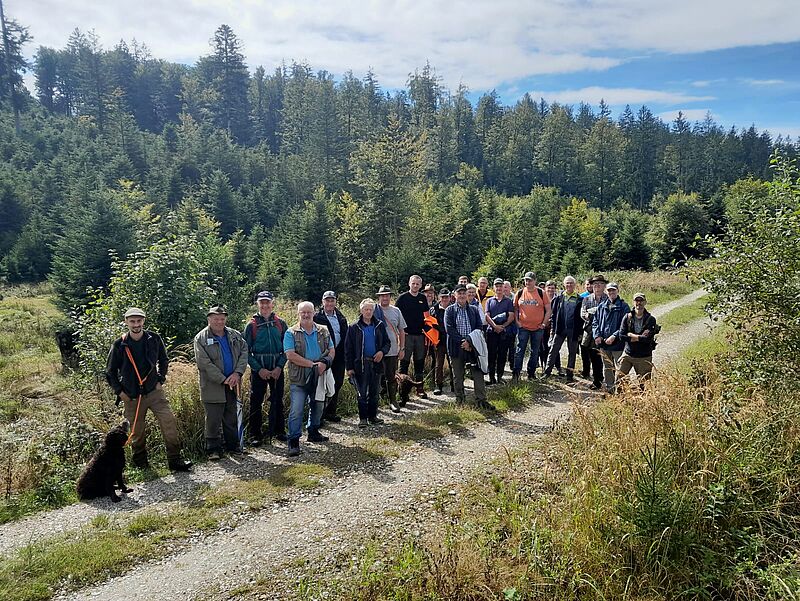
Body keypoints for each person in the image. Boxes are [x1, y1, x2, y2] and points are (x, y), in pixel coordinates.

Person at [105, 308, 191, 471]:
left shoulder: (154, 338)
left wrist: (161, 379)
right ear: (126, 322)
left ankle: (175, 460)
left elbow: (164, 360)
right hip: (132, 396)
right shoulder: (120, 344)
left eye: (139, 321)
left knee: (169, 423)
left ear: (144, 321)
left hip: (154, 392)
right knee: (137, 432)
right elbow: (110, 372)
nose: (136, 324)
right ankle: (141, 463)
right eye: (132, 321)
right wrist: (120, 393)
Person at [193, 305, 249, 460]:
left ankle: (233, 446)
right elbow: (204, 363)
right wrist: (223, 379)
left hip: (234, 383)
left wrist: (237, 373)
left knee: (231, 416)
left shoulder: (234, 335)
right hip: (213, 385)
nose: (219, 321)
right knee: (213, 418)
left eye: (222, 318)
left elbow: (244, 352)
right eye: (216, 318)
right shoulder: (201, 338)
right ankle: (213, 450)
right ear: (209, 319)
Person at [283, 301, 334, 457]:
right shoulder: (290, 333)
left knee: (318, 405)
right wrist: (312, 365)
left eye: (308, 312)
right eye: (302, 312)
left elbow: (332, 350)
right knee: (296, 410)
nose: (306, 315)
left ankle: (313, 431)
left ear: (314, 313)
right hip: (300, 378)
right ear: (298, 314)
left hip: (319, 375)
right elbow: (290, 355)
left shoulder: (323, 330)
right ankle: (293, 441)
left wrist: (324, 364)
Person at [244, 291, 288, 446]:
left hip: (277, 368)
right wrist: (258, 369)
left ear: (272, 303)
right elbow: (246, 352)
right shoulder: (251, 325)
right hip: (259, 369)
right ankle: (255, 435)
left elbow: (287, 349)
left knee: (277, 400)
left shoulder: (280, 323)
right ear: (257, 304)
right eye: (261, 302)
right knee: (256, 401)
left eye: (267, 302)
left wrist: (279, 367)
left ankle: (278, 431)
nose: (265, 305)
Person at [444, 285, 491, 408]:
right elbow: (449, 329)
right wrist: (463, 342)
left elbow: (479, 327)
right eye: (459, 293)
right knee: (458, 376)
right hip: (456, 348)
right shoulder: (449, 311)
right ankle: (460, 400)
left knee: (478, 373)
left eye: (464, 293)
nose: (462, 295)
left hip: (472, 347)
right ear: (454, 295)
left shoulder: (474, 310)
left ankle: (481, 400)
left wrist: (469, 342)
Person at [345, 298, 391, 427]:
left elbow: (387, 343)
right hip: (361, 364)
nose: (368, 312)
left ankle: (373, 416)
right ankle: (363, 419)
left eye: (371, 309)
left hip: (376, 363)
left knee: (374, 392)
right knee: (362, 393)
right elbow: (348, 349)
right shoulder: (354, 327)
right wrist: (349, 367)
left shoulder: (379, 325)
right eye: (366, 309)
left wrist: (382, 352)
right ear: (361, 310)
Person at [313, 291, 348, 423]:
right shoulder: (317, 317)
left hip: (339, 354)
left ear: (335, 302)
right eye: (327, 300)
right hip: (323, 355)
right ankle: (319, 416)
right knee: (321, 385)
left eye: (332, 300)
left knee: (337, 383)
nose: (329, 303)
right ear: (323, 302)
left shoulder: (341, 317)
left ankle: (330, 412)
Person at [512, 271, 552, 382]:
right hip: (523, 327)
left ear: (535, 281)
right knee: (520, 350)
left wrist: (544, 323)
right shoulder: (519, 293)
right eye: (526, 280)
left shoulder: (541, 292)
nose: (527, 282)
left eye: (530, 280)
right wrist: (517, 321)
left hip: (538, 328)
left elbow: (548, 310)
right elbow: (515, 308)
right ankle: (516, 374)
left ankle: (531, 373)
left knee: (535, 352)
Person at [395, 275, 429, 398]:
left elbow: (427, 315)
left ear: (421, 285)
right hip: (406, 335)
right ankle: (402, 391)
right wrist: (400, 332)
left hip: (420, 335)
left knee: (419, 362)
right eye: (413, 283)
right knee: (404, 363)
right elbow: (396, 315)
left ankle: (420, 389)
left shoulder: (422, 298)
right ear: (409, 284)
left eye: (417, 284)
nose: (415, 286)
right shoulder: (402, 298)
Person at [593, 282, 630, 393]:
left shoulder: (624, 306)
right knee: (607, 368)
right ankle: (610, 389)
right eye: (609, 290)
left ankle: (621, 390)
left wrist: (614, 336)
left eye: (613, 290)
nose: (611, 292)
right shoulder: (601, 306)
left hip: (618, 344)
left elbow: (626, 326)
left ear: (617, 290)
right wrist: (597, 335)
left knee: (621, 368)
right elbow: (595, 322)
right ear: (606, 292)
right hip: (604, 344)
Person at [544, 276, 583, 381]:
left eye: (571, 283)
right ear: (564, 285)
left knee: (572, 353)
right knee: (553, 350)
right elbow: (554, 314)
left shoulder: (580, 299)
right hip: (560, 329)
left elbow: (581, 318)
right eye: (567, 283)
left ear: (575, 285)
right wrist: (553, 329)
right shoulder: (559, 298)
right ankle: (547, 372)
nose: (569, 285)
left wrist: (580, 333)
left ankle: (569, 376)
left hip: (573, 330)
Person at [375, 285, 407, 412]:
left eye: (387, 295)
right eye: (382, 295)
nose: (385, 298)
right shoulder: (373, 310)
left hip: (392, 350)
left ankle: (392, 401)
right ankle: (375, 401)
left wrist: (402, 348)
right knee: (376, 377)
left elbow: (402, 331)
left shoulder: (396, 311)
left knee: (391, 376)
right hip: (376, 350)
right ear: (379, 297)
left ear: (390, 297)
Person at [618, 292, 659, 388]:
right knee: (620, 379)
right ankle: (622, 399)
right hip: (628, 354)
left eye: (641, 301)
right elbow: (621, 336)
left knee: (644, 384)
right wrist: (640, 337)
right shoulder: (627, 317)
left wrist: (632, 336)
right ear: (633, 302)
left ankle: (643, 402)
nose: (639, 303)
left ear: (645, 302)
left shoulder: (650, 319)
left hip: (643, 356)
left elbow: (648, 339)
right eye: (637, 301)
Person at [485, 278, 515, 384]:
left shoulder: (508, 301)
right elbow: (487, 316)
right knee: (491, 355)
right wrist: (495, 326)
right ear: (493, 288)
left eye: (500, 286)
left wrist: (502, 326)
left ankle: (500, 377)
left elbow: (511, 316)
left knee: (502, 355)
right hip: (491, 332)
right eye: (496, 286)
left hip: (504, 332)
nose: (498, 288)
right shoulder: (489, 301)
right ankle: (491, 377)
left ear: (503, 287)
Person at [581, 274, 608, 390]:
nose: (597, 286)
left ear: (604, 286)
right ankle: (597, 380)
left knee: (605, 356)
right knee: (593, 356)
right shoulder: (586, 299)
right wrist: (588, 316)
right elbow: (582, 313)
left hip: (604, 331)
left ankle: (608, 380)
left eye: (600, 284)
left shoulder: (608, 298)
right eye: (595, 284)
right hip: (590, 331)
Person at [428, 287, 452, 394]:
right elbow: (430, 324)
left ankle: (454, 384)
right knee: (439, 364)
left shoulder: (453, 308)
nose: (445, 299)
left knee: (453, 364)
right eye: (443, 297)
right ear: (439, 298)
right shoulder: (434, 309)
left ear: (450, 297)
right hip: (439, 340)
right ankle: (438, 385)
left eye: (447, 297)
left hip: (451, 340)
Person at [540, 280, 559, 373]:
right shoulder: (541, 299)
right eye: (549, 287)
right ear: (545, 288)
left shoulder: (558, 299)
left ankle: (558, 366)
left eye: (553, 288)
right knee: (543, 347)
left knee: (555, 346)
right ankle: (544, 366)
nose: (551, 289)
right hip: (543, 326)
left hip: (555, 326)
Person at [579, 278, 594, 379]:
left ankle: (596, 372)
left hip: (595, 329)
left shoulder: (601, 297)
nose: (589, 286)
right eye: (587, 284)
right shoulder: (581, 297)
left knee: (594, 352)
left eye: (590, 284)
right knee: (584, 350)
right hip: (584, 328)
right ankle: (586, 371)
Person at [503, 280, 516, 374]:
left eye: (506, 287)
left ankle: (512, 365)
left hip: (512, 325)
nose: (504, 289)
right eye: (503, 287)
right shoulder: (499, 297)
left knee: (512, 346)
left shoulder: (514, 297)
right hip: (501, 325)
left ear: (510, 288)